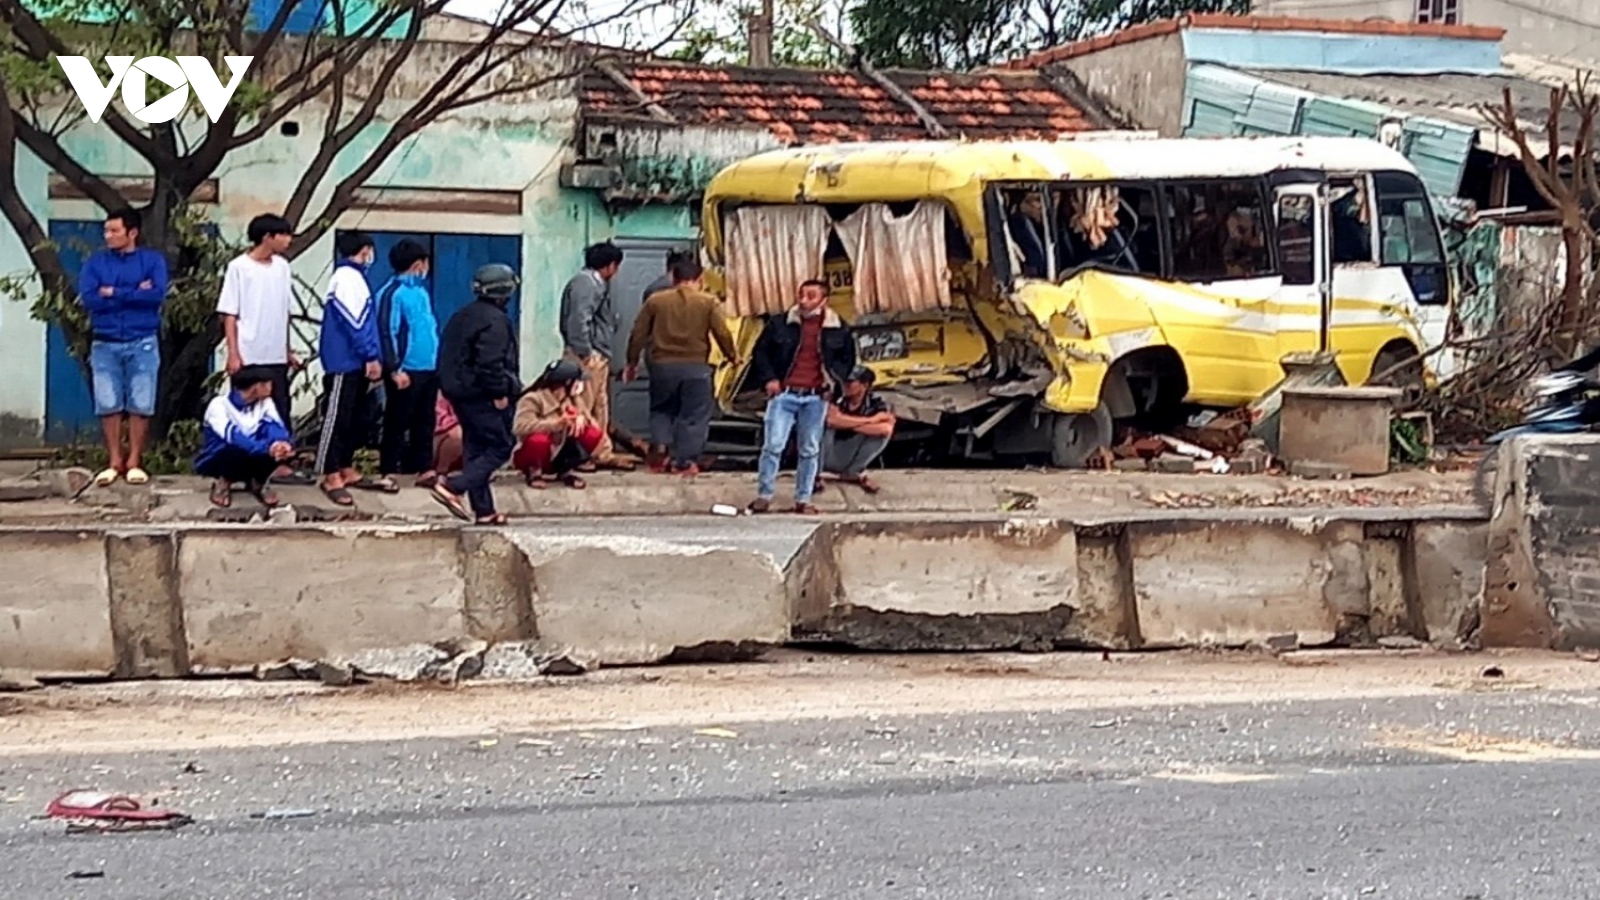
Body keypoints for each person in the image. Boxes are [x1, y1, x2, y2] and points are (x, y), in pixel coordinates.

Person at [747, 279, 856, 515]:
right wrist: (770, 379)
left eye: (811, 296)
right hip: (784, 393)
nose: (804, 300)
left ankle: (803, 499)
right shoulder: (781, 323)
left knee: (809, 449)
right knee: (773, 445)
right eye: (801, 295)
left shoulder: (838, 327)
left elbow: (847, 361)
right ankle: (764, 495)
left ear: (823, 300)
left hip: (816, 396)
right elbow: (761, 353)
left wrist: (834, 384)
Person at [78, 207, 169, 488]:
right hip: (104, 341)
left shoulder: (152, 261)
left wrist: (113, 292)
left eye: (114, 231)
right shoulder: (95, 263)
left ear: (132, 233)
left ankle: (134, 462)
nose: (108, 236)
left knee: (141, 402)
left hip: (143, 340)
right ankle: (114, 461)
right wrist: (135, 291)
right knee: (108, 403)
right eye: (106, 230)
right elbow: (90, 298)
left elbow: (156, 295)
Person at [624, 254, 738, 476]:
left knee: (661, 409)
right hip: (696, 366)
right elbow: (722, 333)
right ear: (700, 279)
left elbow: (638, 334)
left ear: (673, 278)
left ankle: (661, 449)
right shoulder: (708, 302)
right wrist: (732, 356)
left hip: (662, 366)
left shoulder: (656, 301)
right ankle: (684, 462)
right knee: (693, 415)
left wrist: (632, 361)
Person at [217, 213, 302, 484]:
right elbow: (230, 313)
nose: (288, 240)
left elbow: (284, 311)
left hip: (275, 352)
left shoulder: (282, 267)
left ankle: (278, 463)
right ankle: (241, 466)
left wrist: (287, 348)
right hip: (248, 352)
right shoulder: (239, 267)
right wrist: (233, 353)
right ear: (267, 237)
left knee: (278, 408)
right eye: (283, 235)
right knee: (246, 411)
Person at [433, 263, 521, 525]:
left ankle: (484, 510)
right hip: (481, 393)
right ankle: (453, 486)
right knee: (501, 445)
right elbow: (490, 363)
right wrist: (499, 392)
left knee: (476, 448)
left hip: (458, 392)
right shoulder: (495, 321)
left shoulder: (462, 315)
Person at [314, 231, 382, 506]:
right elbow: (355, 323)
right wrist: (370, 355)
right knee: (338, 417)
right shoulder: (346, 278)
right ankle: (329, 472)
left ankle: (345, 464)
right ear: (363, 250)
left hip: (356, 361)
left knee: (356, 417)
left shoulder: (356, 278)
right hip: (344, 360)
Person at [559, 241, 633, 471]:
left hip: (598, 354)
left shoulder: (596, 284)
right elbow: (578, 319)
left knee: (600, 406)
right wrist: (585, 352)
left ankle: (600, 452)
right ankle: (580, 456)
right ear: (610, 265)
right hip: (586, 356)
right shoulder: (586, 283)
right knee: (583, 407)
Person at [375, 239, 441, 490]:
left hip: (428, 367)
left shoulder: (421, 292)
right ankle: (389, 469)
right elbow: (387, 331)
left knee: (425, 420)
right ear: (418, 264)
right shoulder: (393, 293)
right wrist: (394, 369)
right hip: (405, 369)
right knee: (397, 420)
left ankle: (423, 467)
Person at [195, 366, 295, 509]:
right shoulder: (219, 405)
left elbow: (274, 426)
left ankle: (259, 482)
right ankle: (223, 483)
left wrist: (279, 444)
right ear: (256, 387)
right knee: (233, 450)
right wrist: (267, 448)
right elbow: (233, 436)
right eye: (268, 384)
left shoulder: (265, 403)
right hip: (219, 457)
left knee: (278, 448)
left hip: (254, 452)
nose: (272, 388)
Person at [512, 359, 603, 489]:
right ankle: (535, 472)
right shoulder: (533, 399)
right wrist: (556, 424)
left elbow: (594, 426)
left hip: (560, 451)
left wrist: (582, 418)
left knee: (592, 434)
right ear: (567, 382)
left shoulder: (572, 399)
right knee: (538, 440)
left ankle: (566, 470)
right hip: (534, 454)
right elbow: (520, 427)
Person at [820, 366, 895, 494]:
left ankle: (853, 472)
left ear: (864, 385)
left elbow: (886, 428)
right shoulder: (836, 395)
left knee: (882, 434)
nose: (846, 385)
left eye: (850, 382)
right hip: (828, 450)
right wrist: (871, 420)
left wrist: (846, 423)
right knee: (824, 428)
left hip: (850, 451)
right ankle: (816, 472)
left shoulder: (875, 401)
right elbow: (831, 420)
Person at [430, 394, 463, 482]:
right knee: (459, 434)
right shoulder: (440, 392)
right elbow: (440, 420)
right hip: (436, 435)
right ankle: (440, 473)